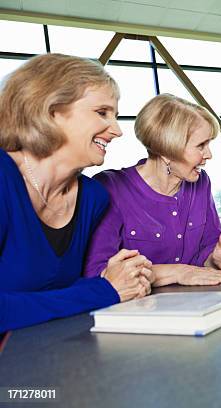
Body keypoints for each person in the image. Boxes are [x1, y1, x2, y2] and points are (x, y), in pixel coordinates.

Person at [0, 54, 153, 332]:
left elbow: (58, 289)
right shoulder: (3, 177)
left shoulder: (93, 197)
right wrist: (105, 289)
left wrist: (116, 279)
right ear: (51, 110)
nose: (117, 130)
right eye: (102, 112)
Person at [85, 94, 221, 286]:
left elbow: (206, 252)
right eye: (201, 146)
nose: (209, 154)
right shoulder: (111, 188)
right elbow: (98, 272)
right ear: (167, 151)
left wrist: (216, 260)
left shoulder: (201, 183)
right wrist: (178, 273)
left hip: (199, 304)